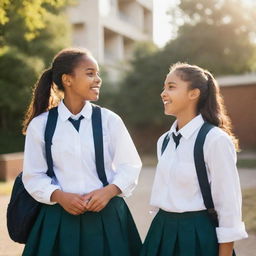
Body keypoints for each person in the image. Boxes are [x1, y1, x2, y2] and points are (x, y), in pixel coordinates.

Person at [21, 48, 142, 256]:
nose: (98, 79)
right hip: (58, 220)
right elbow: (33, 176)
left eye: (97, 73)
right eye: (90, 73)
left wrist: (109, 191)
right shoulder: (40, 126)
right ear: (67, 80)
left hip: (108, 218)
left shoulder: (109, 120)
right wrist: (59, 196)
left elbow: (130, 165)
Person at [140, 63, 248, 256]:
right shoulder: (164, 141)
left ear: (193, 93)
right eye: (164, 87)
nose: (163, 93)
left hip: (197, 235)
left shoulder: (215, 140)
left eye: (171, 87)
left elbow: (228, 205)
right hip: (161, 232)